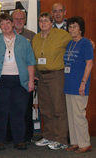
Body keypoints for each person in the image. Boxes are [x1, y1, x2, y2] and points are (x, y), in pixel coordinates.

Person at [0, 13, 36, 150]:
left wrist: (31, 81)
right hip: (0, 80)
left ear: (12, 23)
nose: (6, 26)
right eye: (3, 24)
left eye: (8, 23)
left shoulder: (24, 41)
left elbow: (31, 63)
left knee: (19, 111)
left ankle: (19, 140)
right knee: (0, 111)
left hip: (20, 81)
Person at [32, 12, 72, 150]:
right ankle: (49, 136)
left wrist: (88, 43)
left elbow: (76, 41)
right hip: (41, 77)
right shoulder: (36, 38)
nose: (43, 23)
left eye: (46, 20)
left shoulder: (61, 35)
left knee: (58, 108)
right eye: (41, 21)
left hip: (56, 76)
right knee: (45, 108)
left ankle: (61, 139)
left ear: (51, 22)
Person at [5, 9, 37, 144]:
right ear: (11, 21)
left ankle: (26, 136)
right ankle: (10, 135)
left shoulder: (32, 35)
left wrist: (33, 76)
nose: (18, 21)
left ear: (25, 20)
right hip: (8, 78)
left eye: (21, 18)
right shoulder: (4, 36)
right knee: (9, 107)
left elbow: (35, 57)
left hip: (25, 78)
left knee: (25, 108)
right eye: (16, 19)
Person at [64, 17, 93, 153]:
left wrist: (83, 83)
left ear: (81, 29)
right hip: (69, 84)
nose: (72, 29)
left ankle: (85, 143)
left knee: (79, 115)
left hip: (79, 85)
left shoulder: (86, 43)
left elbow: (89, 63)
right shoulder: (70, 43)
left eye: (75, 26)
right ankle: (75, 142)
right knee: (71, 115)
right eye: (70, 27)